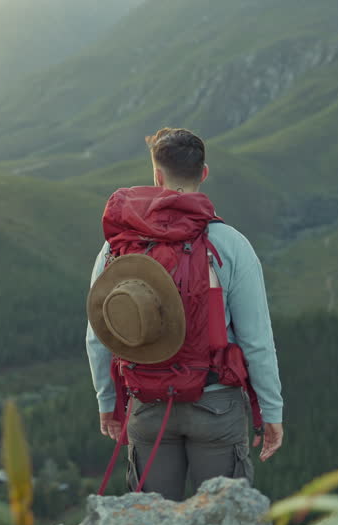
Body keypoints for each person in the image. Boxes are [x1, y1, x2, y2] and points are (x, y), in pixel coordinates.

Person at [85, 127, 284, 501]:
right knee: (223, 524)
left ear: (157, 176)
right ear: (203, 173)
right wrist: (270, 412)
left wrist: (107, 403)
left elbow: (98, 333)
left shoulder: (118, 248)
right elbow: (256, 340)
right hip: (216, 404)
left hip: (147, 403)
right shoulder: (229, 244)